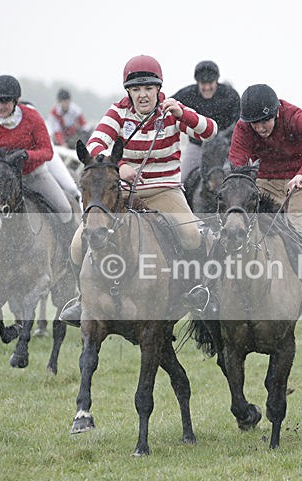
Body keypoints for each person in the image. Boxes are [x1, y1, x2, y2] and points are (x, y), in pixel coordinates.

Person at [59, 54, 218, 326]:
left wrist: (185, 114)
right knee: (76, 245)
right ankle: (81, 299)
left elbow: (210, 132)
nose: (142, 95)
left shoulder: (172, 110)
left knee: (193, 236)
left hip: (165, 190)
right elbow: (96, 145)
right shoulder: (117, 112)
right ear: (128, 92)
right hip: (123, 195)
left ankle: (197, 292)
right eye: (136, 90)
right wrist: (119, 168)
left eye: (148, 89)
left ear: (158, 89)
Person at [187, 83, 302, 324]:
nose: (260, 127)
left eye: (264, 121)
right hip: (263, 185)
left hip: (300, 185)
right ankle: (205, 289)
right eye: (254, 123)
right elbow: (237, 165)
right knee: (231, 232)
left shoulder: (294, 116)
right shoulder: (244, 127)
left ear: (276, 112)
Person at [0, 75, 76, 288]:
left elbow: (47, 152)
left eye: (5, 102)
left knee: (66, 210)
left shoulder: (32, 118)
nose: (0, 106)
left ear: (15, 101)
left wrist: (27, 155)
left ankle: (70, 262)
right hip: (4, 185)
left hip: (35, 176)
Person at [171, 60, 240, 181]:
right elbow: (167, 106)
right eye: (203, 83)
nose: (207, 87)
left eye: (210, 83)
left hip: (225, 146)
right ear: (197, 82)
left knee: (240, 177)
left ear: (216, 81)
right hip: (197, 145)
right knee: (182, 179)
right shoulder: (187, 94)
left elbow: (240, 122)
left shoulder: (230, 96)